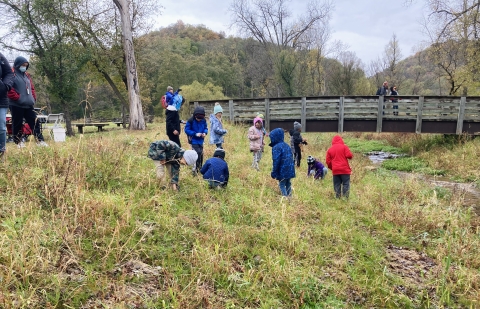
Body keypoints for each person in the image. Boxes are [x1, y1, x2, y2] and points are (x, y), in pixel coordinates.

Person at [7, 56, 47, 148]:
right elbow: (9, 89)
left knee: (34, 122)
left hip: (28, 104)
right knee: (17, 122)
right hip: (16, 104)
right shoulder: (11, 74)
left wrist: (33, 98)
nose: (24, 67)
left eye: (26, 65)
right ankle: (19, 142)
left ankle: (40, 140)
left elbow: (31, 88)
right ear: (17, 65)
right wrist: (18, 98)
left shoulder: (27, 75)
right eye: (23, 65)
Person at [269, 127, 295, 198]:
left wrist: (274, 172)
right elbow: (291, 157)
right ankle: (290, 197)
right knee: (288, 183)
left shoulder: (276, 147)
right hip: (290, 169)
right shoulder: (286, 145)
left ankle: (285, 197)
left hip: (282, 170)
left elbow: (276, 160)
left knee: (282, 184)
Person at [185, 106, 208, 175]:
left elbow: (206, 128)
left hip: (201, 140)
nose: (199, 120)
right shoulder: (190, 120)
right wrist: (195, 134)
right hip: (193, 140)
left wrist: (205, 132)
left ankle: (200, 168)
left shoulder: (203, 120)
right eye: (198, 118)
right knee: (196, 153)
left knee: (201, 154)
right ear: (195, 116)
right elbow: (186, 130)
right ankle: (195, 170)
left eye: (200, 119)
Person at [0, 53, 14, 157]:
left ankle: (1, 152)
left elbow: (9, 73)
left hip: (1, 98)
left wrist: (5, 86)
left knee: (1, 127)